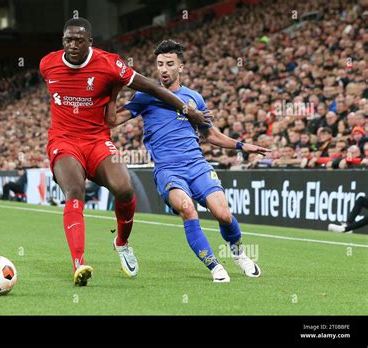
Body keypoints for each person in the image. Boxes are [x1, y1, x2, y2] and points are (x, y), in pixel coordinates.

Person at [39, 18, 211, 286]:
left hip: (97, 140)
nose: (72, 45)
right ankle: (79, 263)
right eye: (68, 40)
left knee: (125, 188)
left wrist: (188, 111)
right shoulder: (47, 64)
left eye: (79, 40)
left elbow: (153, 88)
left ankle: (122, 242)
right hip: (64, 140)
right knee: (74, 190)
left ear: (90, 42)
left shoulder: (109, 64)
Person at [106, 40, 270, 282]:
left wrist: (242, 145)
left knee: (223, 213)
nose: (163, 69)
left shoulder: (194, 98)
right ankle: (215, 266)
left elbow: (211, 135)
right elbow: (112, 121)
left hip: (197, 165)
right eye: (160, 64)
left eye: (170, 64)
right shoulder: (146, 96)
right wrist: (113, 91)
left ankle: (239, 255)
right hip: (168, 169)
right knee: (187, 208)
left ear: (181, 67)